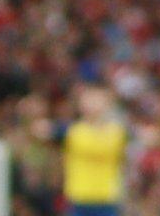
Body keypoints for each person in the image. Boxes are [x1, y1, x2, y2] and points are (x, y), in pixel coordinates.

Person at [54, 86, 127, 216]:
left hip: (106, 196)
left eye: (97, 99)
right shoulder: (75, 130)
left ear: (107, 103)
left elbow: (103, 148)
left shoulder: (116, 131)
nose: (93, 104)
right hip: (79, 195)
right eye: (89, 99)